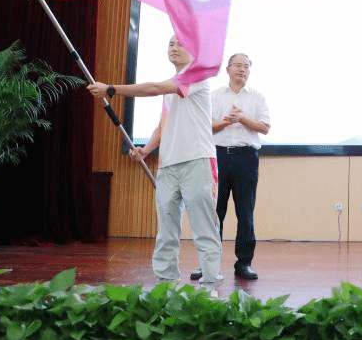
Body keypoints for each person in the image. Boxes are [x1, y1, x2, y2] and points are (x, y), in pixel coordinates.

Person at [88, 36, 223, 287]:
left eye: (180, 43)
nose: (174, 48)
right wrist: (146, 150)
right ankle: (166, 283)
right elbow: (163, 125)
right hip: (168, 164)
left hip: (196, 160)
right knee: (166, 230)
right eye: (170, 44)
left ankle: (210, 284)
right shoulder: (172, 86)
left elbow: (152, 88)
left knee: (203, 226)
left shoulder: (195, 77)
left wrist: (111, 89)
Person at [201, 53, 271, 282]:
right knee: (214, 213)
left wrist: (242, 118)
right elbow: (205, 126)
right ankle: (209, 265)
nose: (242, 70)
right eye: (238, 65)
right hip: (218, 156)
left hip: (246, 158)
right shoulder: (214, 96)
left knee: (245, 213)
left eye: (246, 66)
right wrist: (227, 121)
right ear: (228, 69)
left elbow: (264, 127)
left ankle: (244, 263)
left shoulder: (257, 97)